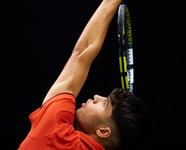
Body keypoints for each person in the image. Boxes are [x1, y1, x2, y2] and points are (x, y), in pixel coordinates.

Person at [18, 0, 152, 149]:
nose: (96, 97)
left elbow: (81, 53)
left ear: (103, 131)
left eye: (105, 103)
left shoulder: (56, 135)